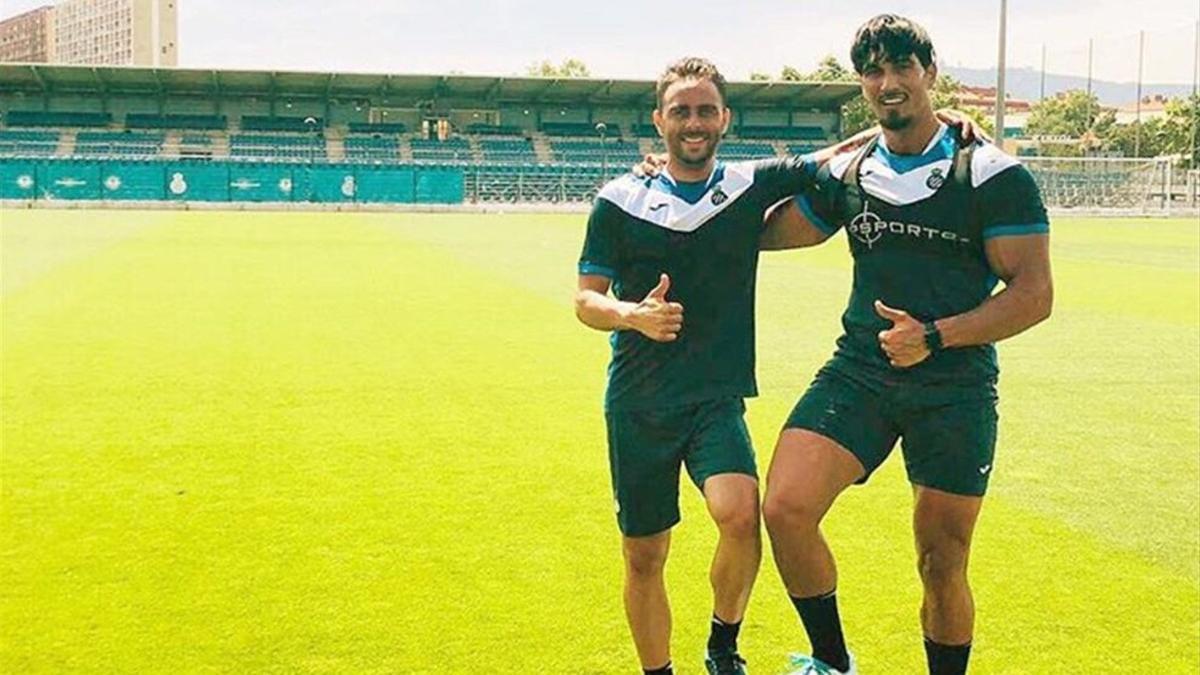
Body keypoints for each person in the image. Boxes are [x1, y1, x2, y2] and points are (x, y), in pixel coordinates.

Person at [758, 15, 1054, 675]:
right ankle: (833, 662)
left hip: (954, 383)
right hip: (860, 372)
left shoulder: (991, 174)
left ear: (930, 72)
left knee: (941, 560)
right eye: (873, 71)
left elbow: (1033, 294)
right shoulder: (851, 171)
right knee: (784, 506)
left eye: (901, 67)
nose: (888, 82)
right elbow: (775, 232)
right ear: (862, 81)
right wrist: (693, 210)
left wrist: (935, 336)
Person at [575, 56, 861, 675]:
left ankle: (722, 644)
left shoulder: (745, 185)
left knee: (739, 514)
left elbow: (831, 159)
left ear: (726, 118)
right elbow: (585, 299)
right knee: (645, 556)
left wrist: (929, 122)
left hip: (715, 399)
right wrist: (631, 315)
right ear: (659, 120)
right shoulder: (619, 202)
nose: (694, 121)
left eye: (706, 109)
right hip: (639, 404)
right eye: (681, 110)